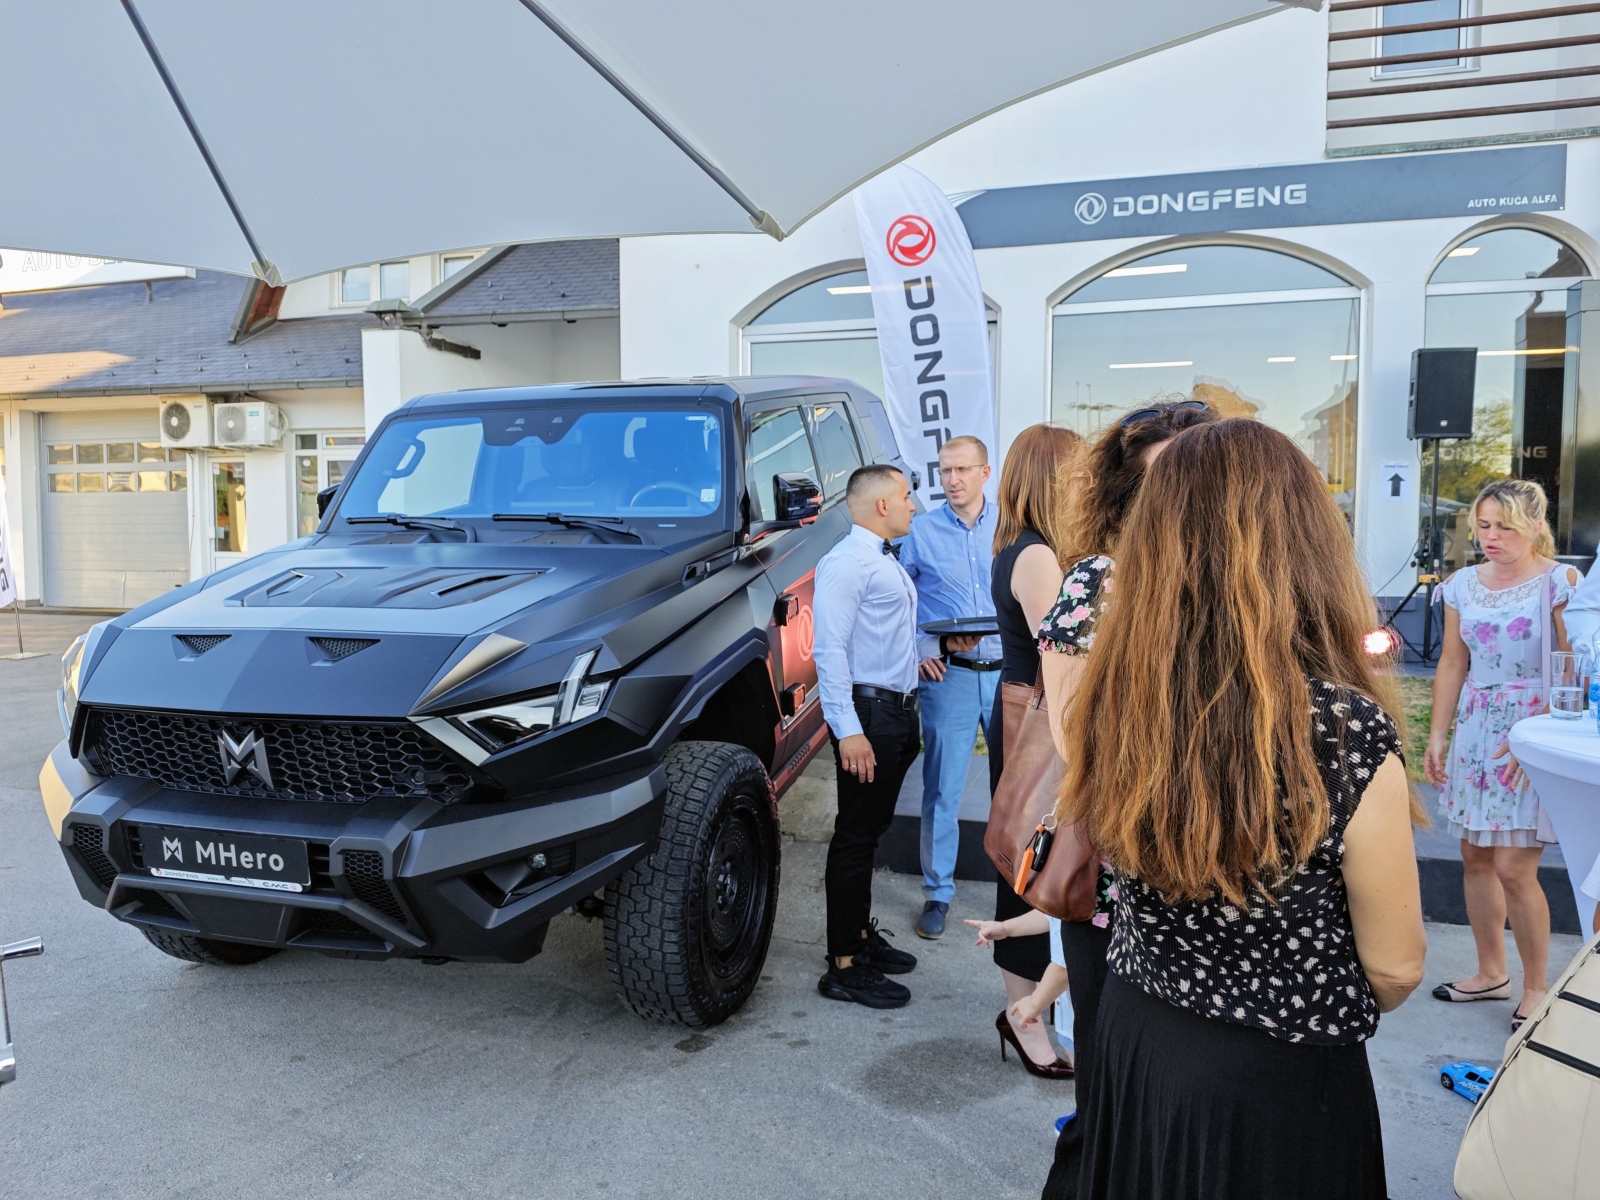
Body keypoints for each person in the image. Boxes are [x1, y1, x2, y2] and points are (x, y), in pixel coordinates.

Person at [1061, 418, 1426, 1200]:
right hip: (1274, 1078)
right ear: (1306, 541)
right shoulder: (1341, 729)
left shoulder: (1118, 695)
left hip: (1137, 1032)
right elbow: (1396, 967)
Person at [1033, 396, 1216, 1199]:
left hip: (1223, 879)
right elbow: (1079, 744)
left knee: (1191, 1105)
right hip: (1124, 878)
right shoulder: (1099, 582)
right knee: (1113, 1093)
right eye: (1155, 482)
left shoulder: (1241, 584)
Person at [812, 464, 978, 1009]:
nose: (914, 504)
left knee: (869, 832)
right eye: (906, 496)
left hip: (896, 713)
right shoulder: (846, 563)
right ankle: (843, 965)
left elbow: (891, 641)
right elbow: (828, 651)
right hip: (870, 716)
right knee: (855, 837)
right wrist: (848, 731)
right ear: (882, 505)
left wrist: (941, 647)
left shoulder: (882, 559)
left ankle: (860, 937)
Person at [1423, 479, 1581, 1029]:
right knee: (1475, 857)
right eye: (1484, 525)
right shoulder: (1461, 585)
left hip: (1532, 728)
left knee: (1515, 867)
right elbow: (1452, 662)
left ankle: (1537, 988)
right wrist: (1438, 734)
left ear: (1536, 525)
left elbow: (1573, 669)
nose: (1490, 537)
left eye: (1504, 527)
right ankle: (1491, 973)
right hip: (1476, 727)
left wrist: (1536, 738)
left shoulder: (1560, 582)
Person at [987, 422, 1081, 1077]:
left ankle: (1029, 1008)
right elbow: (1062, 662)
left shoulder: (1021, 546)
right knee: (1031, 867)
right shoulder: (1038, 555)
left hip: (1026, 715)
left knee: (1032, 862)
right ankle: (1025, 1017)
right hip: (1038, 721)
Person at [899, 434, 1000, 939]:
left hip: (1008, 677)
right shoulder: (920, 531)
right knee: (942, 789)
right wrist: (922, 648)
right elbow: (897, 600)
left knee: (1017, 788)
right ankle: (938, 893)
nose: (952, 480)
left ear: (985, 472)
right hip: (950, 677)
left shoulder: (1012, 526)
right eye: (945, 471)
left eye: (962, 469)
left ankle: (1019, 891)